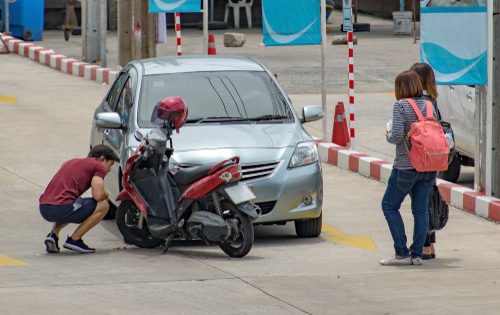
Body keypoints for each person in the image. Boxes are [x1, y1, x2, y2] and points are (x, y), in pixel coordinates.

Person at [380, 70, 438, 266]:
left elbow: (396, 136)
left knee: (389, 206)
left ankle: (401, 253)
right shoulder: (429, 105)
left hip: (406, 167)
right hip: (429, 166)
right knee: (420, 210)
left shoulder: (401, 106)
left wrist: (387, 133)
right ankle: (417, 254)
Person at [39, 145, 119, 254]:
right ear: (102, 159)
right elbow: (98, 195)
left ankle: (53, 235)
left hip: (44, 208)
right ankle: (74, 239)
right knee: (104, 205)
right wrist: (106, 194)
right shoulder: (98, 166)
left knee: (74, 202)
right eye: (111, 164)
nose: (109, 169)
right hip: (62, 209)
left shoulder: (70, 162)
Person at [410, 62, 440, 260]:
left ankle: (424, 246)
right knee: (428, 200)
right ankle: (430, 246)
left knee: (420, 205)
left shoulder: (417, 101)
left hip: (419, 158)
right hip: (434, 158)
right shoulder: (433, 100)